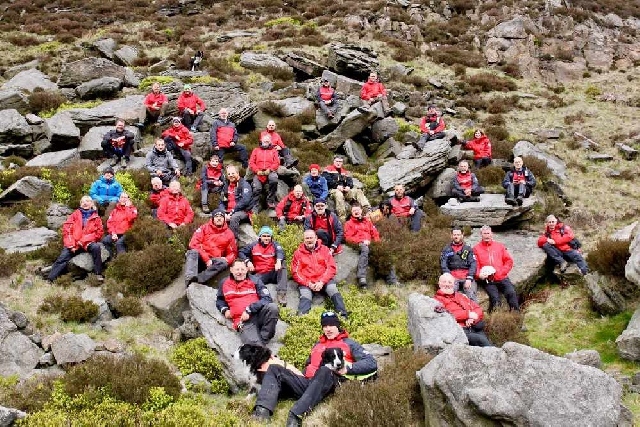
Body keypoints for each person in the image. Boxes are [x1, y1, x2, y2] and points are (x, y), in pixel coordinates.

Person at [251, 311, 377, 426]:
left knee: (325, 369)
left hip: (331, 383)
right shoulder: (318, 345)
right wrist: (295, 373)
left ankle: (296, 415)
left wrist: (348, 369)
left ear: (337, 326)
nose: (328, 329)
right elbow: (309, 365)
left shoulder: (350, 343)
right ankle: (262, 411)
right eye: (325, 326)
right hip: (309, 382)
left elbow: (371, 362)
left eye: (331, 325)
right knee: (274, 368)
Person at [216, 259, 279, 346]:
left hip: (259, 314)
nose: (240, 272)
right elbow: (220, 300)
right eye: (237, 269)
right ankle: (259, 345)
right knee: (254, 345)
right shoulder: (224, 283)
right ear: (231, 270)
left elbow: (267, 298)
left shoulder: (255, 280)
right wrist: (224, 310)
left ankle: (263, 339)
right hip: (242, 321)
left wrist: (250, 309)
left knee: (273, 307)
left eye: (242, 269)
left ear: (246, 269)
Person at [291, 230, 348, 317]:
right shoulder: (298, 253)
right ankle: (301, 319)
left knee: (332, 289)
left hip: (324, 280)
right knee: (306, 296)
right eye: (307, 238)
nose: (309, 240)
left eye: (311, 238)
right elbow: (295, 272)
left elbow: (331, 268)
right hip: (307, 282)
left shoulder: (325, 250)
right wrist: (308, 283)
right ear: (303, 240)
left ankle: (343, 316)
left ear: (316, 238)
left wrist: (321, 281)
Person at [47, 196, 104, 282]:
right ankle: (50, 279)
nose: (85, 203)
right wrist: (71, 245)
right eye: (83, 202)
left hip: (87, 243)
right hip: (74, 243)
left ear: (92, 204)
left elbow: (98, 234)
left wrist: (83, 241)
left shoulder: (96, 217)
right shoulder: (74, 215)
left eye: (87, 201)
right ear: (80, 204)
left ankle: (98, 274)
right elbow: (67, 230)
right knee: (62, 258)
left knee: (96, 248)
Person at [434, 273, 492, 347]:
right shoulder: (436, 300)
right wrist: (467, 314)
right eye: (444, 282)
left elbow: (478, 308)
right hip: (459, 331)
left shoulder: (461, 296)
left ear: (453, 284)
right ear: (439, 284)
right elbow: (446, 314)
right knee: (481, 341)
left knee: (487, 343)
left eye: (449, 282)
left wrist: (472, 319)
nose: (447, 284)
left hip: (473, 326)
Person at [473, 225, 519, 312]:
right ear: (481, 235)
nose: (486, 235)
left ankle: (516, 315)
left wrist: (502, 272)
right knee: (495, 299)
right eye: (484, 233)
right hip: (488, 280)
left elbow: (509, 261)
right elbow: (475, 265)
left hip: (502, 277)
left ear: (492, 234)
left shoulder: (500, 246)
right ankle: (496, 319)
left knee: (511, 293)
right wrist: (479, 275)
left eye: (488, 233)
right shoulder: (476, 249)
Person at [185, 208, 237, 286]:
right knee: (192, 252)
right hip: (201, 258)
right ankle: (189, 279)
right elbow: (193, 244)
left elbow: (233, 253)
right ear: (212, 218)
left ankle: (199, 279)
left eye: (221, 217)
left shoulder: (229, 234)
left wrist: (227, 259)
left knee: (223, 262)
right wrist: (206, 259)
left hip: (214, 262)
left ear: (224, 219)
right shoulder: (204, 228)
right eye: (216, 216)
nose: (219, 218)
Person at [239, 226, 288, 306]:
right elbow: (241, 252)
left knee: (283, 264)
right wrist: (248, 262)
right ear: (260, 236)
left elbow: (280, 252)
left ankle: (281, 294)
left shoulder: (275, 244)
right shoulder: (253, 245)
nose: (266, 238)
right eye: (264, 236)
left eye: (268, 236)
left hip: (273, 272)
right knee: (250, 283)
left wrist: (278, 261)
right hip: (261, 274)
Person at [322, 155, 370, 222]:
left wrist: (348, 186)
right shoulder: (328, 169)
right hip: (333, 190)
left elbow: (350, 181)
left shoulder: (344, 172)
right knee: (339, 195)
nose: (338, 163)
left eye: (340, 161)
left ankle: (367, 209)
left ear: (342, 163)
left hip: (344, 190)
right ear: (334, 161)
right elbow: (326, 180)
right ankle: (342, 218)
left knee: (358, 191)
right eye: (337, 161)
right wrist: (336, 186)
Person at [344, 203, 380, 289]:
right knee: (365, 249)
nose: (356, 212)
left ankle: (392, 279)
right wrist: (362, 241)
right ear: (351, 212)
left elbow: (375, 234)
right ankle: (361, 277)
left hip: (369, 242)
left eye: (358, 210)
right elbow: (348, 238)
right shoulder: (348, 223)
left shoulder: (367, 221)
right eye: (354, 211)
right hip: (357, 244)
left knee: (383, 251)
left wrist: (377, 243)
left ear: (361, 211)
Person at [440, 227, 478, 302]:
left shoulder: (468, 249)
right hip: (452, 276)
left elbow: (473, 263)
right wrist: (448, 275)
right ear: (451, 235)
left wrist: (469, 278)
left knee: (471, 295)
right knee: (448, 296)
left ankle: (473, 312)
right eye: (454, 234)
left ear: (462, 235)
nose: (456, 236)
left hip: (466, 276)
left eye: (458, 234)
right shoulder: (446, 249)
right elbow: (443, 263)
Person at [219, 165, 254, 237]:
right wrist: (223, 212)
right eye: (229, 174)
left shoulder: (244, 185)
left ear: (238, 173)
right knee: (216, 215)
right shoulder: (226, 186)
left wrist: (232, 212)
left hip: (243, 211)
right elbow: (221, 202)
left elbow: (245, 201)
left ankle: (233, 241)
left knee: (234, 218)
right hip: (228, 212)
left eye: (233, 173)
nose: (231, 175)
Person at [249, 134, 281, 210]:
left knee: (274, 180)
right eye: (264, 141)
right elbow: (251, 162)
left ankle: (270, 200)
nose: (266, 142)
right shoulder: (256, 150)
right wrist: (257, 171)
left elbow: (277, 162)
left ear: (270, 142)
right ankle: (255, 206)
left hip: (270, 171)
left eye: (267, 141)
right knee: (257, 188)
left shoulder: (274, 151)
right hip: (258, 171)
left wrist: (269, 170)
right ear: (261, 141)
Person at [102, 192, 138, 258]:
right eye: (122, 197)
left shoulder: (133, 209)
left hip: (127, 233)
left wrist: (127, 207)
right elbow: (110, 223)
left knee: (119, 243)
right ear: (119, 199)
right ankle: (111, 260)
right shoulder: (115, 211)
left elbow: (131, 219)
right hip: (115, 233)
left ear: (129, 200)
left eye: (125, 197)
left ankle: (123, 261)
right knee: (105, 241)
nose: (123, 199)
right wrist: (113, 233)